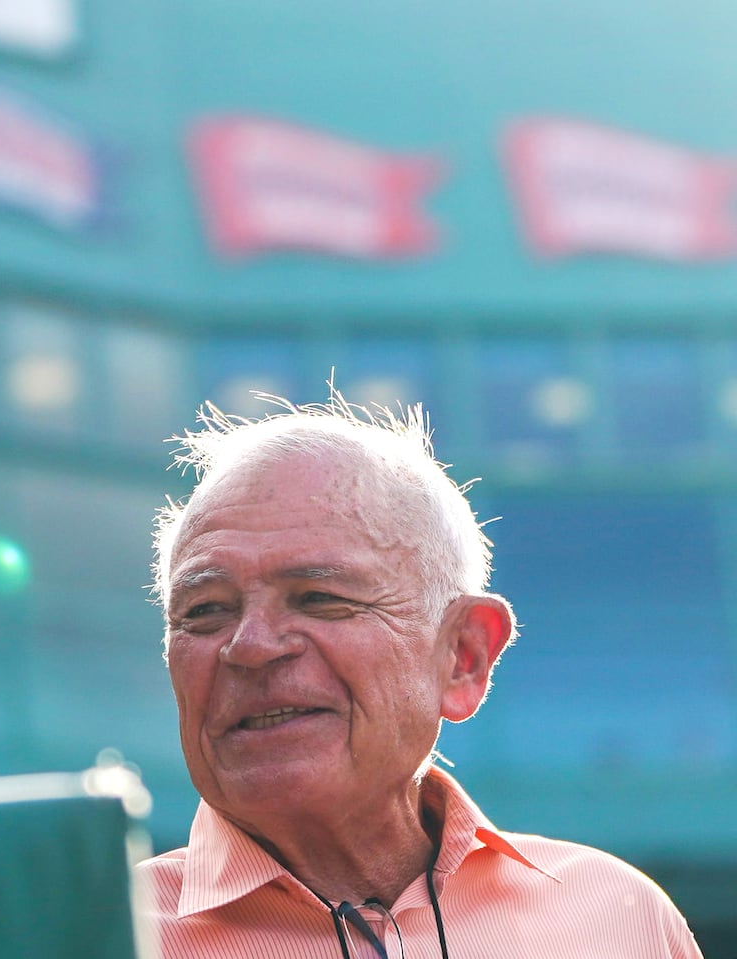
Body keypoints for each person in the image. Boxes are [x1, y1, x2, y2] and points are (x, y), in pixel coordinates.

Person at [135, 394, 703, 958]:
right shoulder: (90, 935)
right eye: (205, 610)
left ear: (464, 656)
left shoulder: (616, 921)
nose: (250, 645)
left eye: (318, 598)